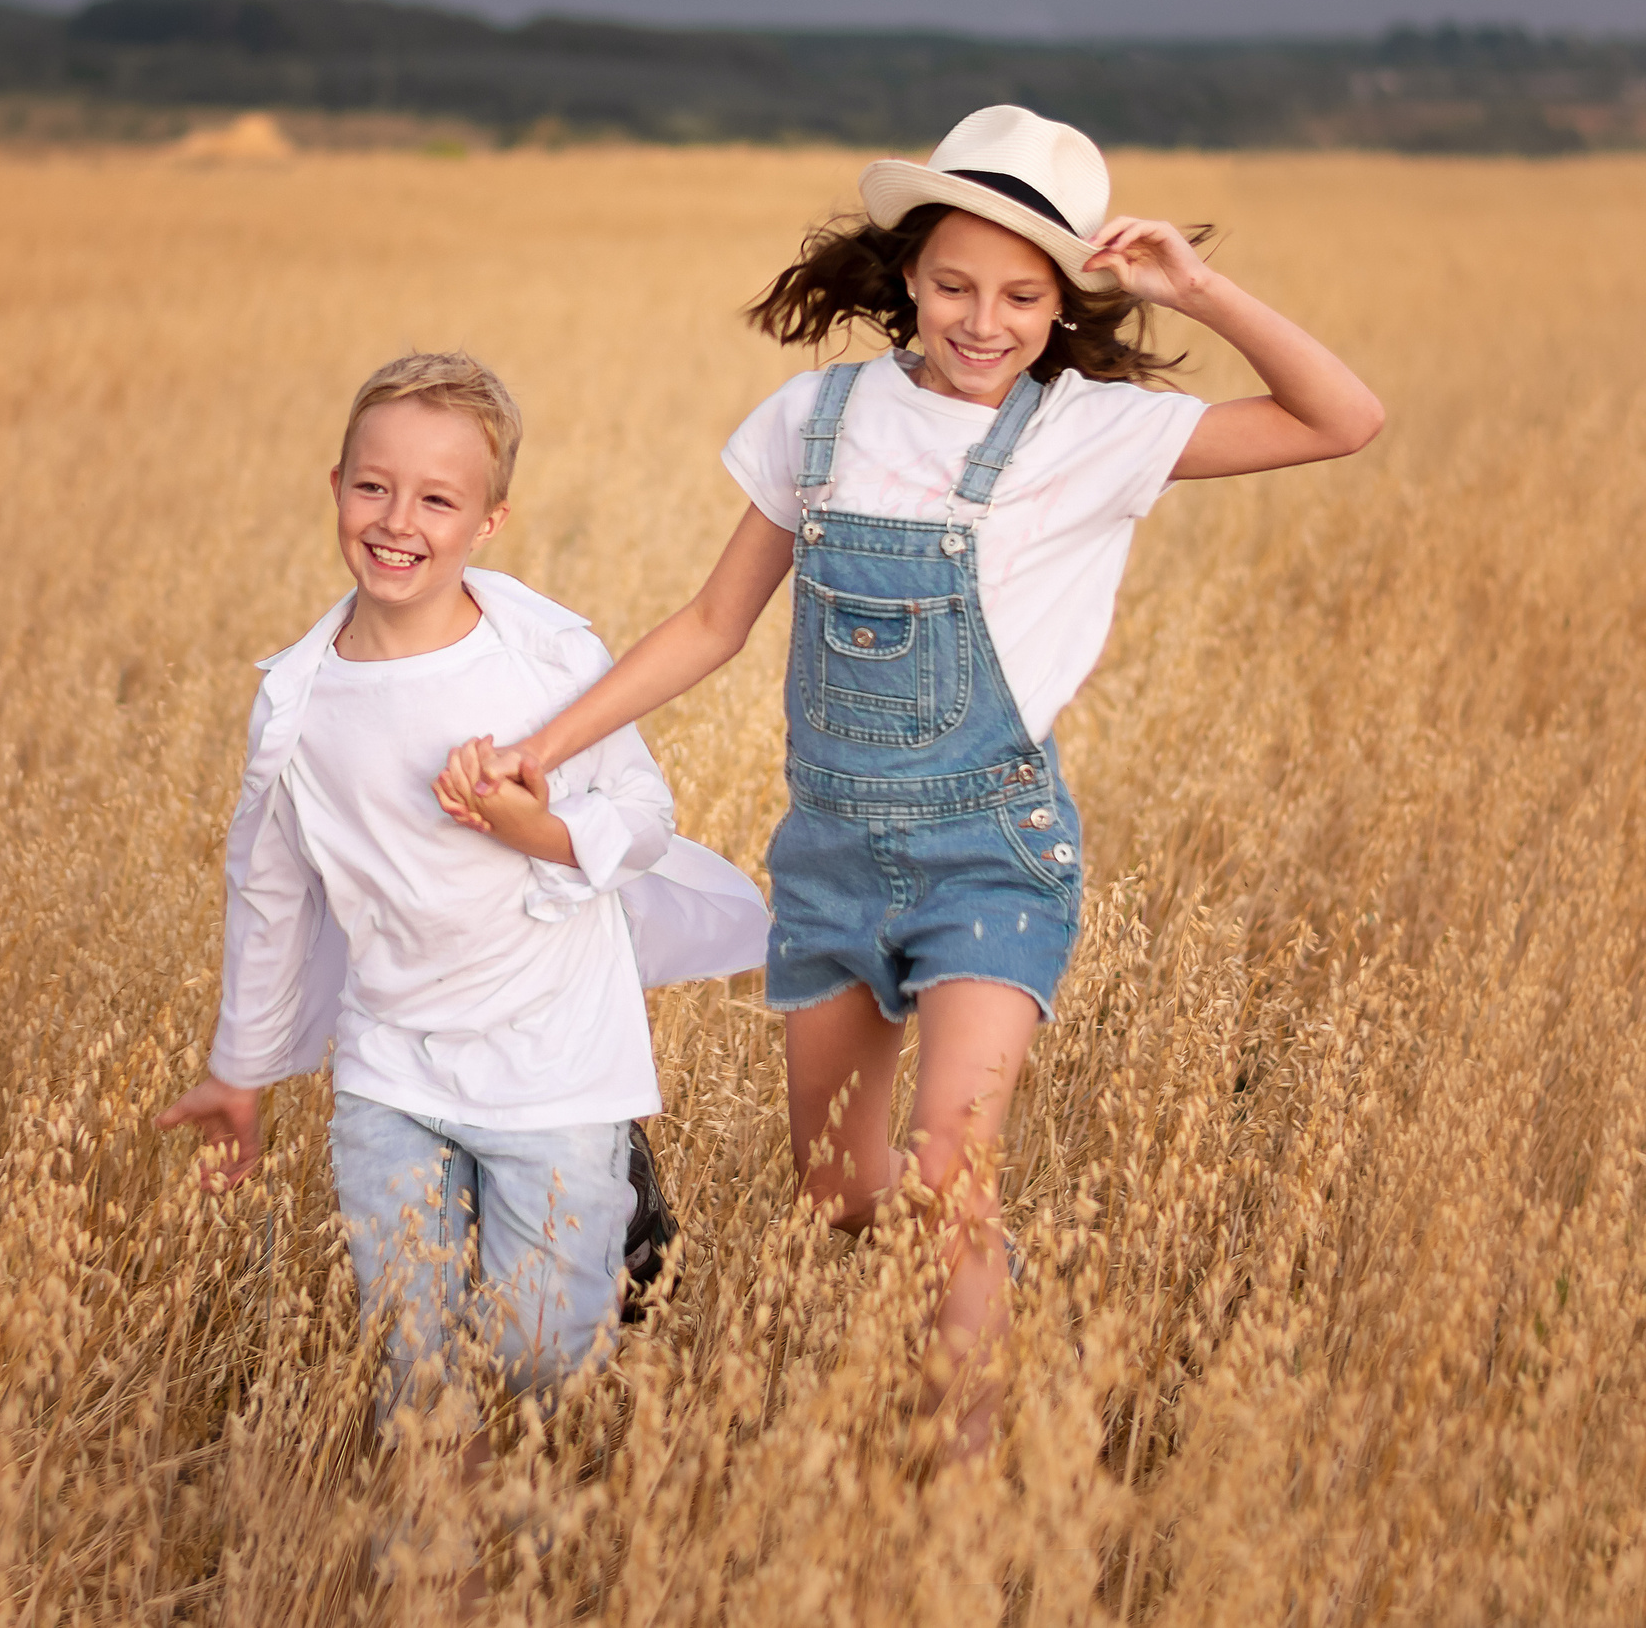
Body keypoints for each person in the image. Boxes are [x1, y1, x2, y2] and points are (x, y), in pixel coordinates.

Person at [435, 106, 1382, 1457]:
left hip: (992, 848)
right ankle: (964, 1289)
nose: (981, 319)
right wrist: (542, 745)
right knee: (839, 1191)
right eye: (953, 284)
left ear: (1064, 305)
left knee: (950, 1172)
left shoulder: (1092, 434)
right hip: (827, 855)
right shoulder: (816, 420)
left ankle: (967, 1475)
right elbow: (711, 625)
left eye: (1020, 293)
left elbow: (1344, 419)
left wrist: (1195, 286)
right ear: (908, 274)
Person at [155, 351, 766, 1451]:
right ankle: (440, 1570)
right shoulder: (297, 699)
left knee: (541, 1355)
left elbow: (642, 815)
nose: (398, 521)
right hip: (389, 1062)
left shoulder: (543, 662)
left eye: (438, 499)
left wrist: (533, 827)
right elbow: (269, 889)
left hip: (555, 1060)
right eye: (372, 487)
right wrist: (238, 1071)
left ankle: (616, 1200)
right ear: (334, 484)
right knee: (414, 1352)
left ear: (489, 521)